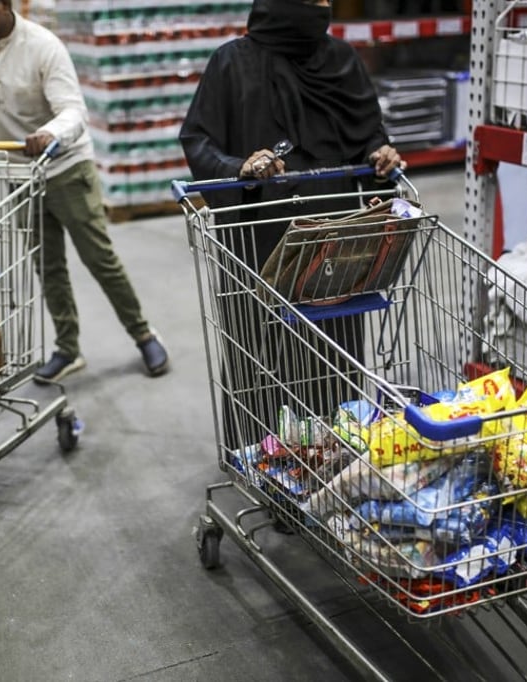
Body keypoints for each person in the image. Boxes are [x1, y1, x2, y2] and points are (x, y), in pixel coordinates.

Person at [179, 0, 404, 448]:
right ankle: (260, 457)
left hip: (332, 236)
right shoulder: (231, 62)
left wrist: (381, 154)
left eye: (324, 1)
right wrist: (239, 166)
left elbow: (367, 134)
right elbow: (198, 140)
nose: (320, 8)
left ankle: (332, 453)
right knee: (259, 351)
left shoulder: (340, 59)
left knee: (332, 343)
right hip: (257, 234)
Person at [0, 0, 169, 382]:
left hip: (65, 167)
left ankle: (143, 333)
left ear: (3, 3)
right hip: (20, 175)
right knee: (47, 266)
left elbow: (73, 112)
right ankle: (68, 347)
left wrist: (51, 133)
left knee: (99, 258)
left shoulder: (43, 46)